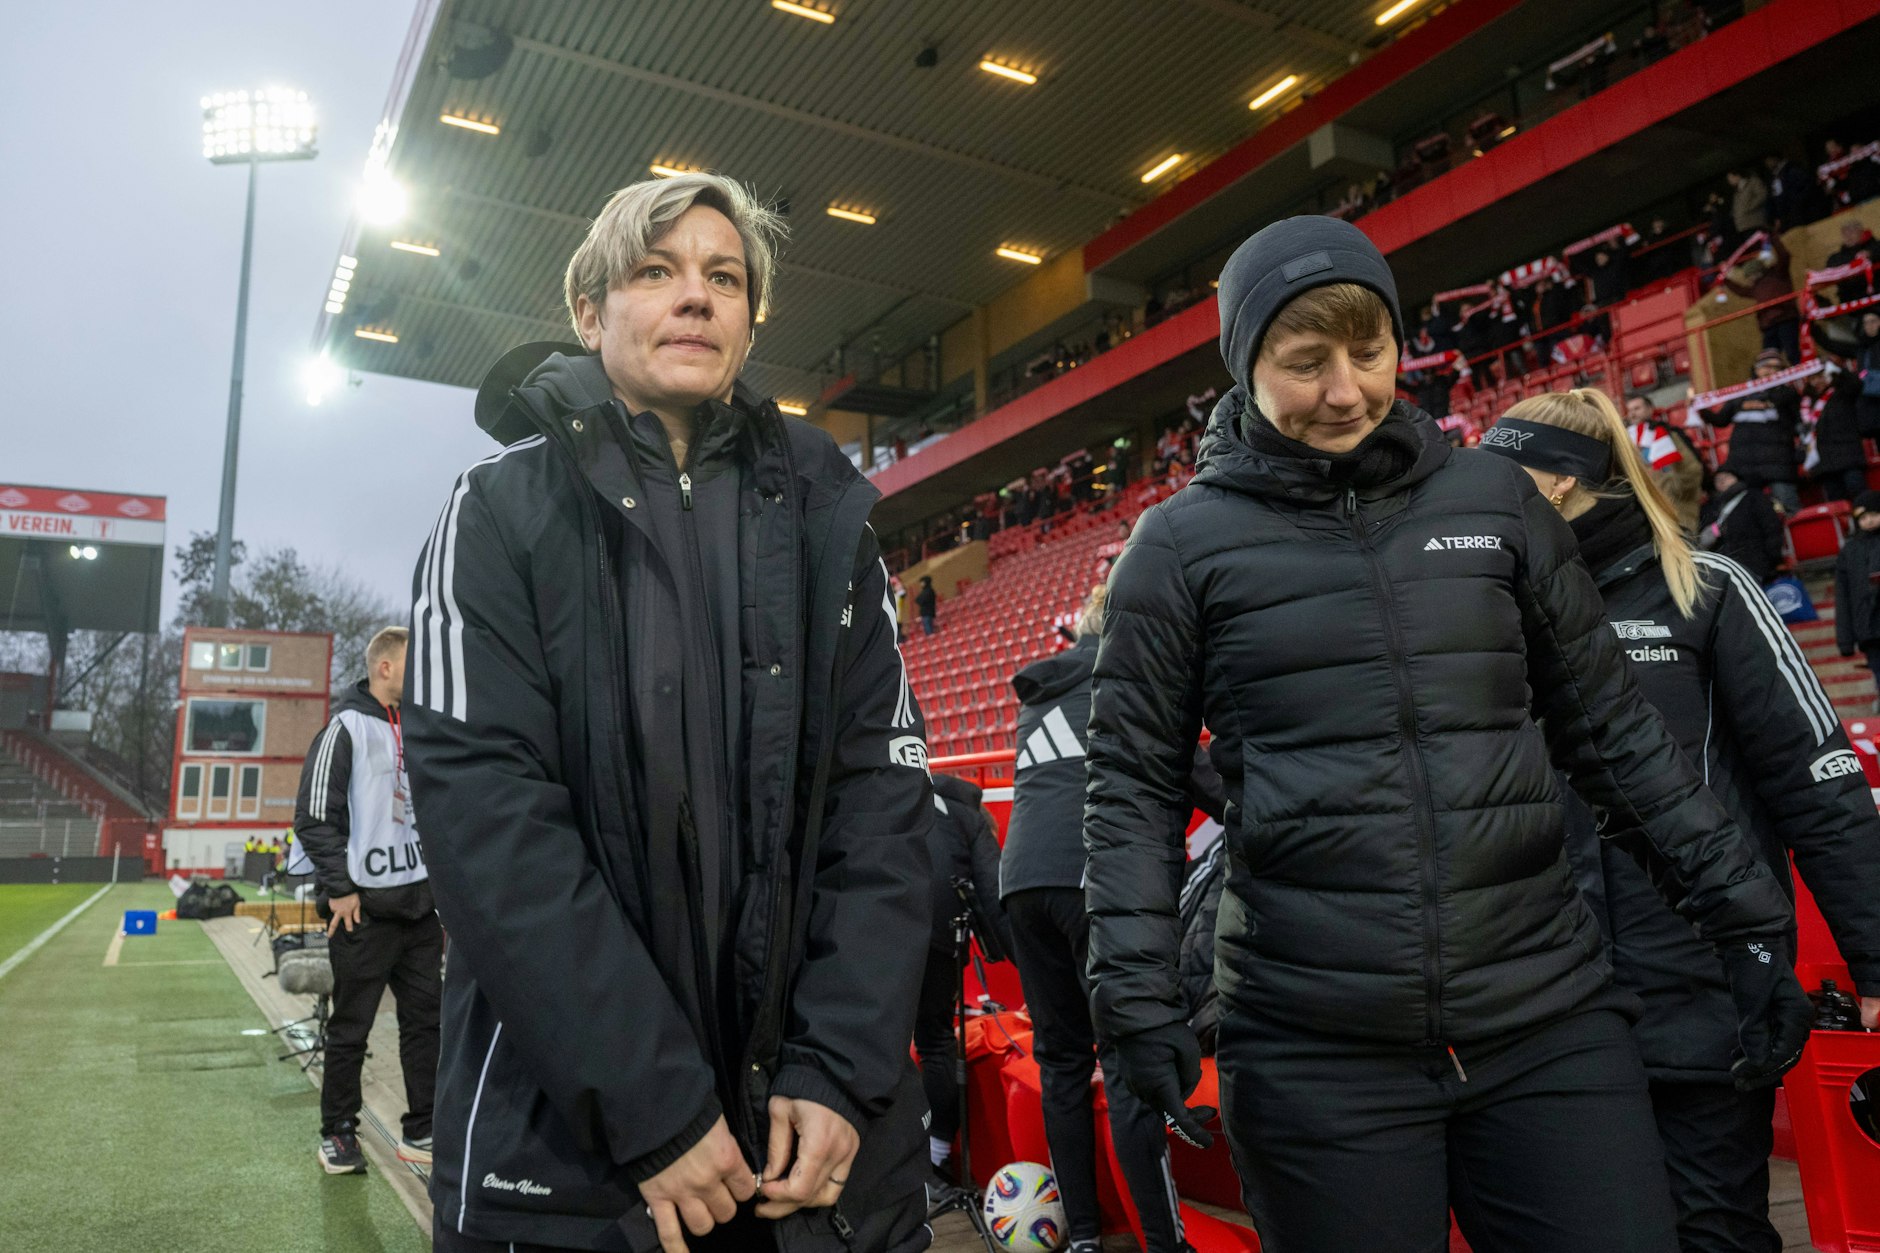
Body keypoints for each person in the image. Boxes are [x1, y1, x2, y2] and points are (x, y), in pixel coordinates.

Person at [1083, 214, 1810, 1253]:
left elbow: (1614, 735)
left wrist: (1743, 915)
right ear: (1243, 368)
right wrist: (1133, 996)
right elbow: (1132, 789)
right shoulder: (1177, 546)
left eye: (1368, 350)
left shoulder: (1495, 501)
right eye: (1305, 362)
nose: (1346, 390)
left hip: (1546, 1018)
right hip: (1314, 1049)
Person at [401, 172, 935, 1253]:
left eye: (724, 278)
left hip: (810, 1159)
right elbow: (489, 827)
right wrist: (650, 1105)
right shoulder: (497, 509)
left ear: (749, 321)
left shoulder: (832, 518)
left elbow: (883, 806)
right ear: (589, 313)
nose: (696, 294)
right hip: (579, 1159)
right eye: (656, 271)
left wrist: (837, 1068)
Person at [1481, 391, 1880, 1253]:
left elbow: (1819, 786)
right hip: (1551, 1006)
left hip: (1701, 991)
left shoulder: (1708, 588)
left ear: (1558, 480)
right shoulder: (1489, 609)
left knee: (1714, 1233)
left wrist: (1876, 958)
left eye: (1497, 469)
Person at [999, 586, 1222, 1253]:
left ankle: (1085, 1238)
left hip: (1021, 881)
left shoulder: (1041, 692)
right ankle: (1163, 1241)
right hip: (1093, 877)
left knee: (1062, 1064)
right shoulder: (1130, 673)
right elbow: (1202, 779)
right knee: (1128, 1064)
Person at [295, 626, 440, 1175]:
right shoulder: (344, 728)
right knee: (351, 1028)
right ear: (385, 667)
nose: (422, 672)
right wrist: (341, 888)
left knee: (427, 1024)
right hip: (364, 911)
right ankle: (338, 1133)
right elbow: (313, 818)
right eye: (413, 662)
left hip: (420, 911)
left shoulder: (424, 728)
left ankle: (423, 1129)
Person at [911, 771, 1011, 1182]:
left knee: (886, 1049)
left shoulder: (896, 794)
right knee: (936, 1043)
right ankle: (935, 1160)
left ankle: (891, 1165)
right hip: (936, 937)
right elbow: (993, 892)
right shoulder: (966, 817)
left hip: (877, 927)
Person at [1707, 348, 1802, 514]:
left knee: (1789, 509)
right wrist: (1700, 410)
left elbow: (1796, 422)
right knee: (1747, 512)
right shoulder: (1741, 393)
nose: (1771, 371)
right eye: (1766, 366)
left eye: (1776, 368)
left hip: (1777, 463)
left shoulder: (1787, 393)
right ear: (1756, 369)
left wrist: (1773, 393)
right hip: (1745, 466)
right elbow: (1720, 420)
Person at [1697, 463, 1786, 585]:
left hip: (1757, 564)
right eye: (1718, 479)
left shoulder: (1754, 497)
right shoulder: (1713, 507)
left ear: (1737, 478)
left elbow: (1771, 528)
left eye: (1726, 477)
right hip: (1729, 568)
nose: (1722, 481)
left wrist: (1774, 558)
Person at [1723, 235, 1801, 366]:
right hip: (1770, 324)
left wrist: (1773, 239)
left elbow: (1784, 256)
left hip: (1785, 318)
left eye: (1749, 276)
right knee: (1769, 358)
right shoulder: (1756, 287)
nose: (1749, 279)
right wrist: (1725, 280)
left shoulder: (1778, 274)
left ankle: (1802, 372)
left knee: (1791, 352)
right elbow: (1740, 291)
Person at [1837, 492, 1880, 710]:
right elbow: (1843, 597)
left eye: (1874, 514)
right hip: (1868, 628)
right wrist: (1845, 640)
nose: (1869, 521)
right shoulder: (1849, 550)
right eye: (1863, 517)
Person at [1805, 357, 1868, 502]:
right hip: (1824, 463)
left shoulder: (1841, 392)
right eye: (1813, 378)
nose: (1817, 381)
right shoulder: (1807, 403)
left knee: (1859, 494)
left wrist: (1837, 369)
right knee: (1836, 502)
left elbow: (1856, 384)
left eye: (1821, 376)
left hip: (1848, 455)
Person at [1827, 218, 1877, 306]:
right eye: (1845, 233)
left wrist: (1870, 254)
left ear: (1861, 232)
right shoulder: (1835, 258)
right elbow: (1830, 269)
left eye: (1852, 231)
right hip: (1851, 302)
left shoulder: (1874, 247)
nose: (1848, 236)